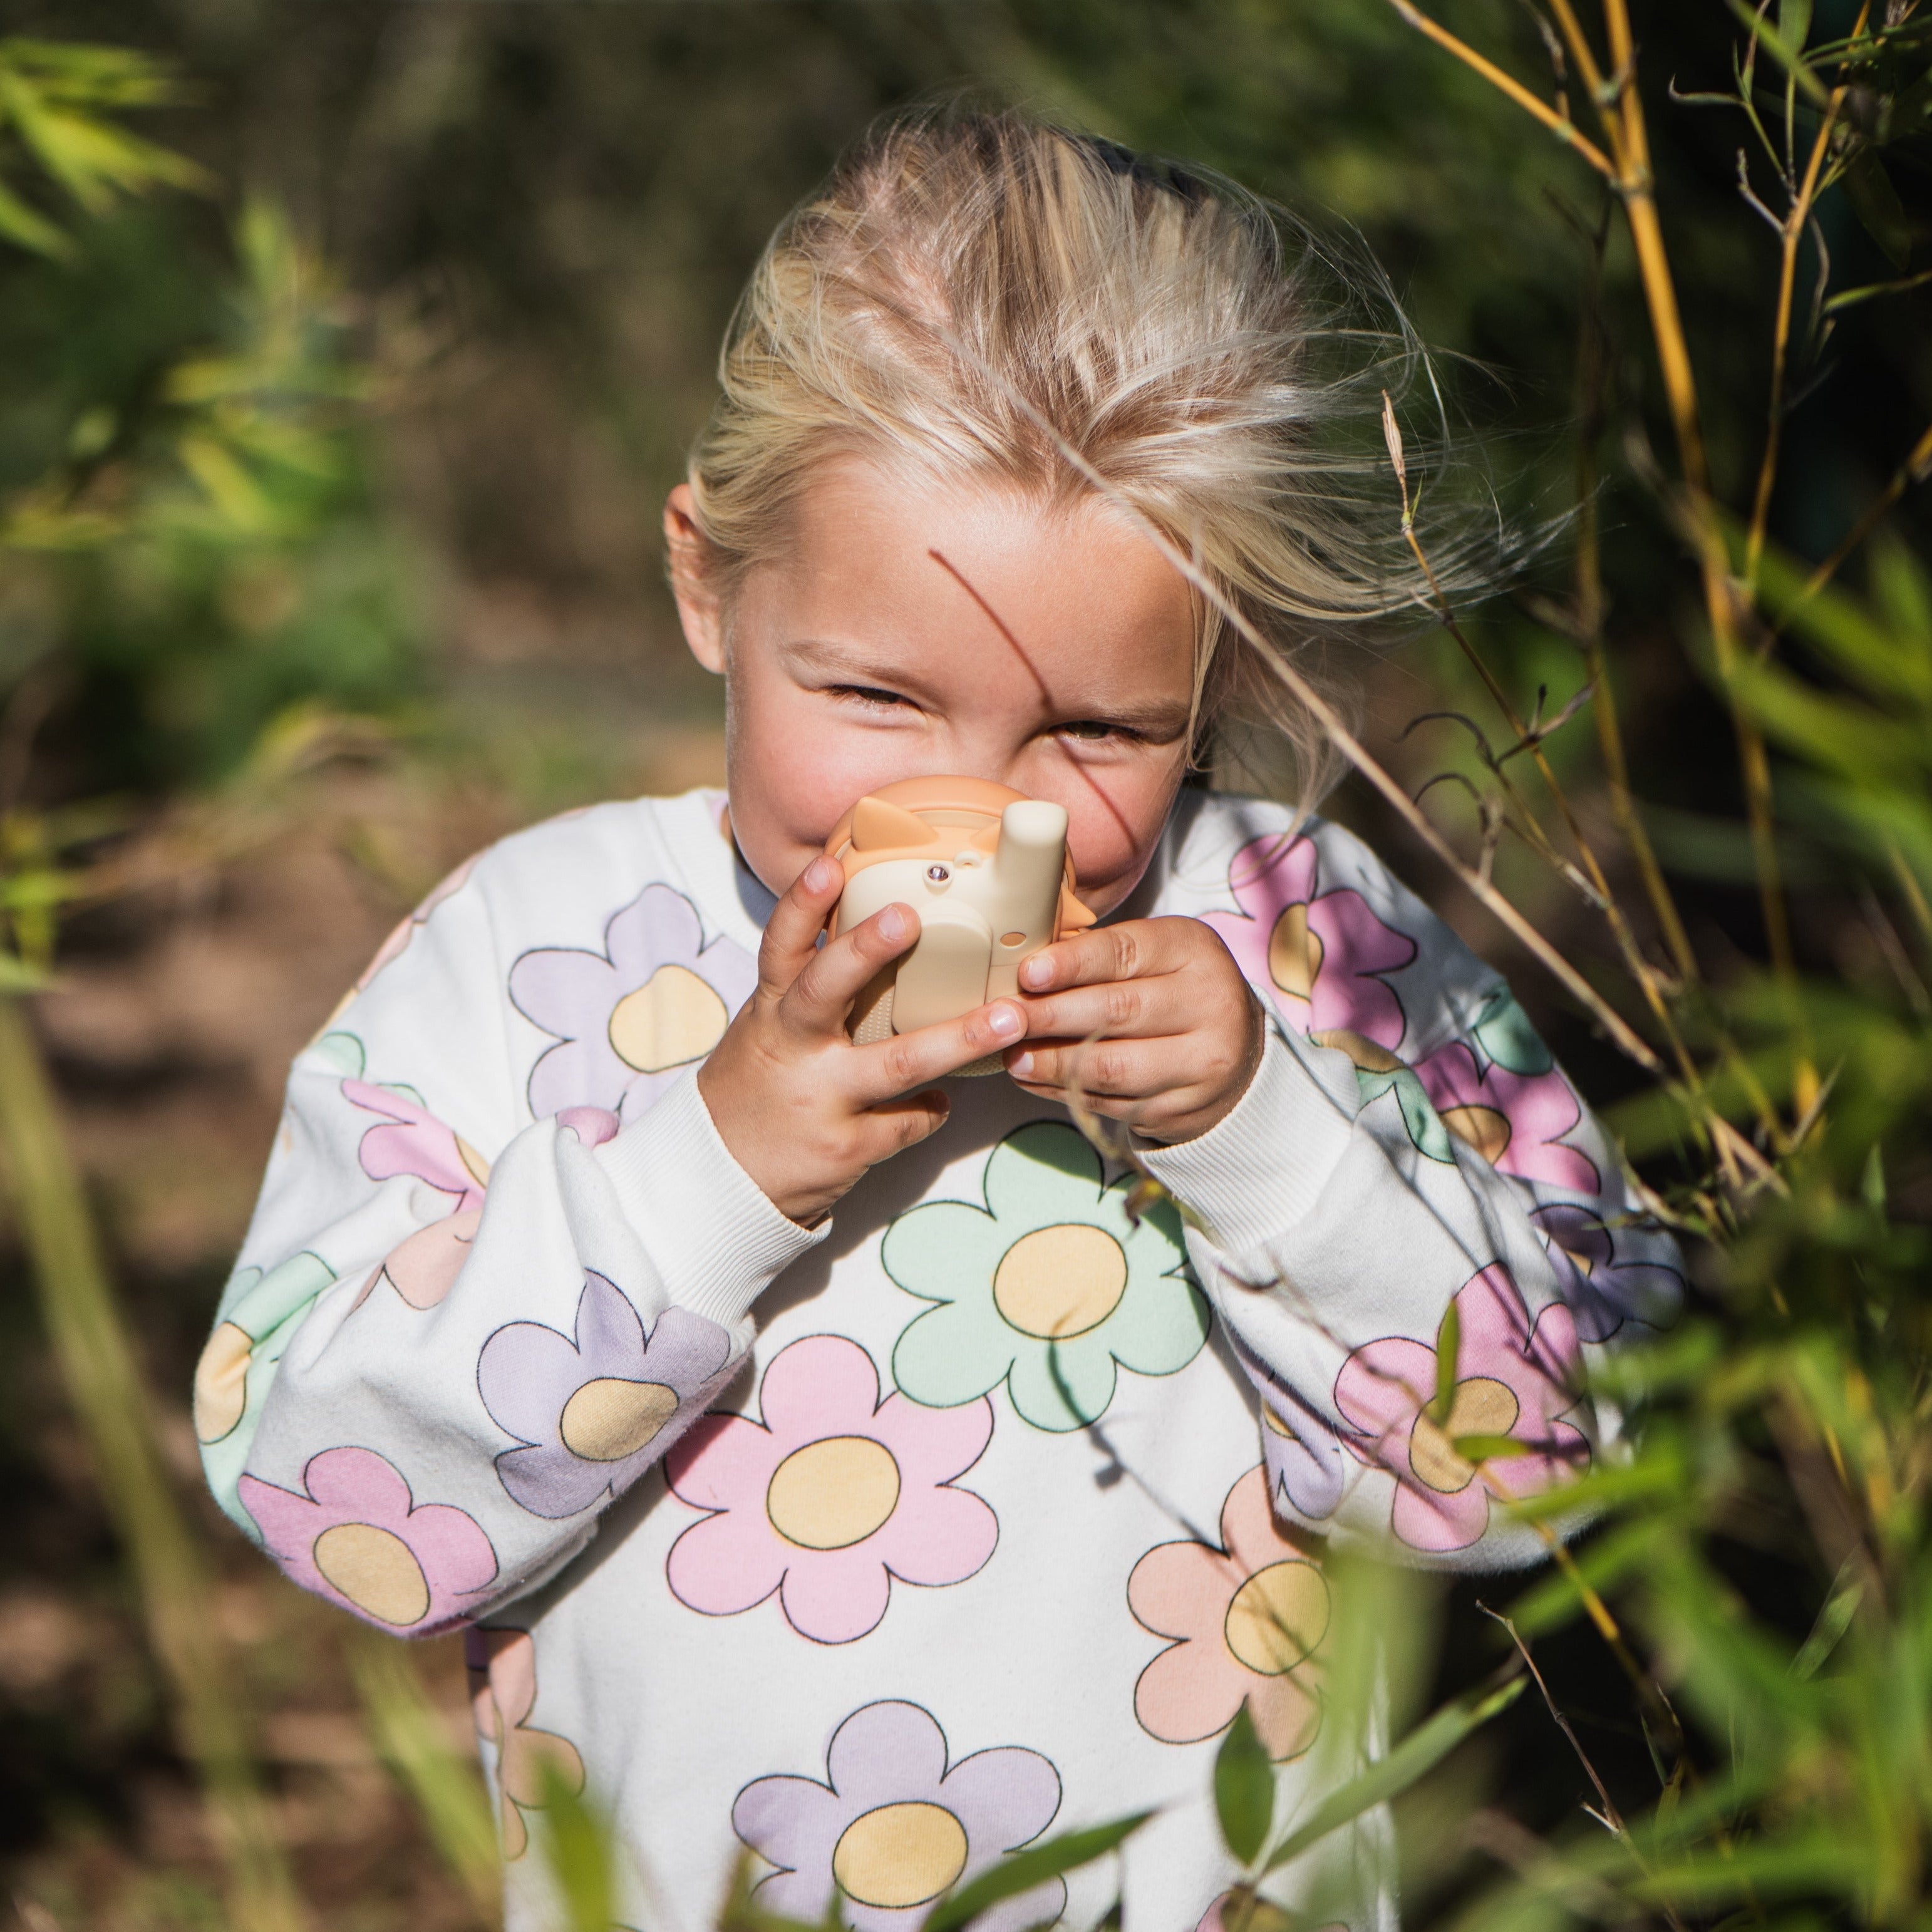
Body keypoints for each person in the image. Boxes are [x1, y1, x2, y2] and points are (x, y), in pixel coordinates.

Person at [195, 108, 1681, 1932]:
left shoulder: (1300, 941)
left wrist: (1259, 1128)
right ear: (704, 585)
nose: (992, 810)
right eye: (877, 695)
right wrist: (712, 1162)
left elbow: (1550, 1460)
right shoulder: (531, 954)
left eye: (1100, 730)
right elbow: (336, 1499)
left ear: (1210, 675)